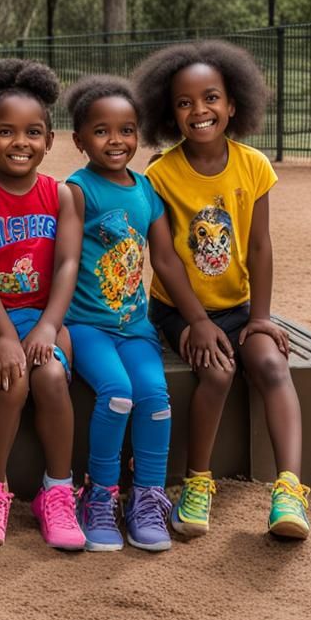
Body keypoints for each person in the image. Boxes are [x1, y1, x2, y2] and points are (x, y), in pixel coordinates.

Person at [133, 40, 310, 540]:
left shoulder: (253, 166)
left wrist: (261, 316)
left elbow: (260, 247)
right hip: (179, 310)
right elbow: (163, 259)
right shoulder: (161, 174)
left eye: (211, 98)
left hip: (239, 306)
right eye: (184, 102)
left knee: (272, 363)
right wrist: (197, 321)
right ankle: (197, 481)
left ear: (234, 105)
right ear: (170, 114)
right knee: (216, 371)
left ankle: (289, 491)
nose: (199, 110)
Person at [62, 75, 234, 553]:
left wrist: (198, 319)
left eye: (126, 130)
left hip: (135, 328)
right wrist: (54, 322)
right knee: (117, 394)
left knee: (155, 397)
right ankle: (99, 496)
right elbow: (67, 262)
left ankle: (148, 498)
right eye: (101, 131)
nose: (115, 141)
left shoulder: (145, 190)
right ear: (79, 140)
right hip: (88, 325)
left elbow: (165, 260)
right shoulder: (77, 191)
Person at [0, 58, 85, 550]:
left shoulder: (61, 194)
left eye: (33, 132)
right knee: (11, 377)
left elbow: (67, 264)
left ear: (49, 140)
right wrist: (5, 336)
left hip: (38, 317)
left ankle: (58, 492)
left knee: (48, 377)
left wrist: (48, 327)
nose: (20, 142)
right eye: (6, 131)